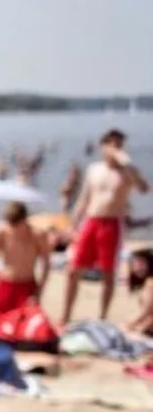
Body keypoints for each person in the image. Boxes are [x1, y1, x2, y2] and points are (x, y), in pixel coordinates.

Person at [61, 129, 150, 325]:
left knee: (108, 273)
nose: (115, 149)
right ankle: (65, 315)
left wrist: (127, 163)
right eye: (112, 144)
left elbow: (144, 188)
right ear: (103, 146)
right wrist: (73, 224)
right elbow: (84, 198)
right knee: (74, 269)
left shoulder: (126, 171)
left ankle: (102, 316)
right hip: (91, 220)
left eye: (119, 145)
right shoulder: (94, 169)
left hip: (112, 223)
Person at [0, 202, 49, 315]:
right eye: (10, 225)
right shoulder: (0, 233)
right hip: (5, 284)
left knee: (28, 321)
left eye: (16, 225)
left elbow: (46, 264)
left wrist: (38, 293)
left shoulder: (37, 235)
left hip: (26, 286)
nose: (13, 229)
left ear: (25, 220)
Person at [125, 249, 153, 335]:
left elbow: (145, 312)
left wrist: (128, 325)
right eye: (134, 264)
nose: (137, 268)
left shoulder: (150, 283)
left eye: (141, 264)